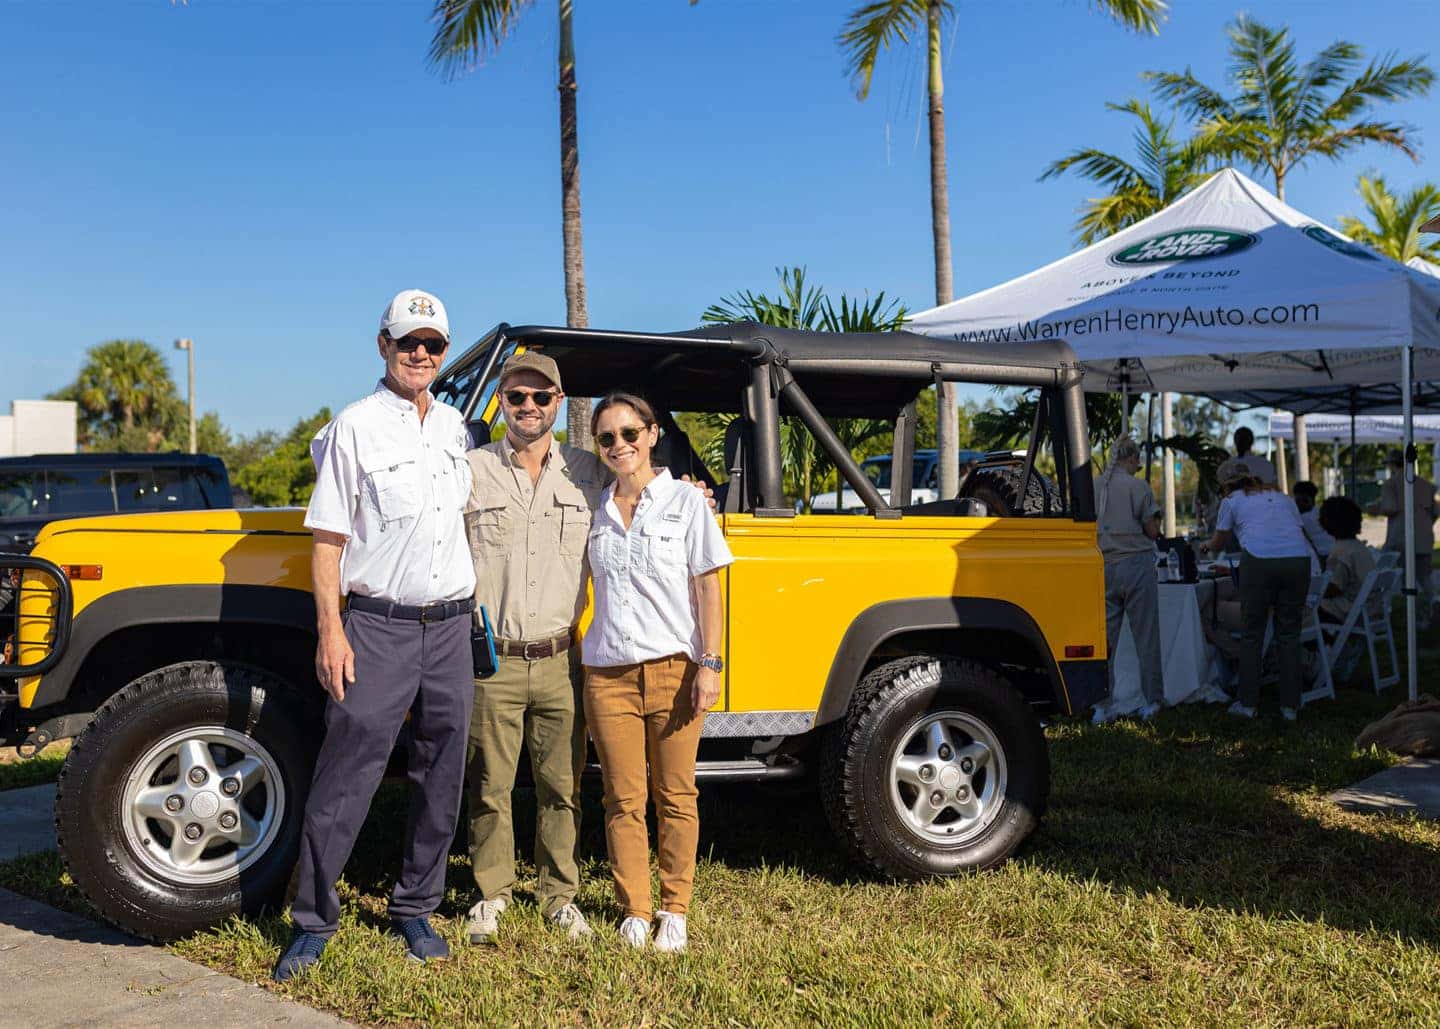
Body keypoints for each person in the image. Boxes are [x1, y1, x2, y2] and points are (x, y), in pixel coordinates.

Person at [274, 289, 476, 982]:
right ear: (383, 345)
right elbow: (327, 538)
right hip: (378, 626)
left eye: (433, 344)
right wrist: (332, 630)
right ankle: (312, 919)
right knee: (347, 773)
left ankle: (416, 904)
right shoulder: (353, 427)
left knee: (441, 773)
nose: (420, 353)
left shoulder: (455, 429)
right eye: (407, 341)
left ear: (444, 353)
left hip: (450, 628)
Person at [460, 351, 607, 945]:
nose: (528, 407)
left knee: (563, 786)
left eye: (541, 398)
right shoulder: (468, 469)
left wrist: (694, 492)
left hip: (560, 660)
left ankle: (558, 895)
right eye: (516, 397)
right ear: (501, 400)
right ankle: (492, 894)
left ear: (559, 402)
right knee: (489, 785)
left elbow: (646, 499)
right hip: (491, 659)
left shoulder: (590, 473)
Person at [582, 391, 732, 953]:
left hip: (674, 667)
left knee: (676, 794)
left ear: (650, 435)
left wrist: (709, 664)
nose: (619, 445)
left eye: (628, 433)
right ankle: (634, 909)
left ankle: (675, 908)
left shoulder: (688, 503)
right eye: (606, 438)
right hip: (607, 672)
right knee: (622, 797)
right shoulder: (593, 508)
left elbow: (708, 587)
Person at [1201, 459, 1311, 722]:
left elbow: (1219, 541)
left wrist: (1206, 546)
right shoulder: (1281, 497)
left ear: (1225, 486)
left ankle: (1248, 704)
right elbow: (1295, 532)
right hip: (1298, 561)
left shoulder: (1232, 501)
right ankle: (1290, 707)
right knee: (1289, 634)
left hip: (1260, 561)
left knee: (1253, 634)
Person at [1095, 437, 1164, 720]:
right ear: (1132, 458)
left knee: (1104, 642)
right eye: (1138, 460)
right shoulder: (1139, 486)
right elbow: (1152, 531)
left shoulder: (1096, 484)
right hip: (1135, 565)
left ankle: (1102, 704)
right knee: (1146, 637)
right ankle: (1152, 701)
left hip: (1103, 566)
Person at [1367, 450, 1436, 624]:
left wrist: (1377, 509)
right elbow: (1435, 511)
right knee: (1424, 576)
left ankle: (1399, 614)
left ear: (1391, 464)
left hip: (1401, 538)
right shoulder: (1425, 484)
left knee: (1392, 576)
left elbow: (1391, 507)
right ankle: (1434, 602)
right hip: (1424, 537)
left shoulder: (1391, 484)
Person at [1317, 496, 1376, 625]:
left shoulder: (1340, 552)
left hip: (1345, 612)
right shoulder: (1359, 546)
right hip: (1369, 609)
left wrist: (1313, 589)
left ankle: (1324, 644)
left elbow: (1335, 588)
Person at [1292, 481, 1334, 565]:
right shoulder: (1321, 512)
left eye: (1299, 500)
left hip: (1318, 558)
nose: (1298, 503)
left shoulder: (1301, 519)